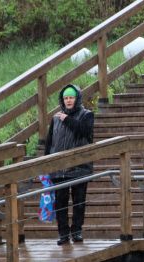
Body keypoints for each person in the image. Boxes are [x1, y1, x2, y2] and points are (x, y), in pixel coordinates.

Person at [45, 84, 94, 245]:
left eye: (71, 97)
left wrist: (68, 119)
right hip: (59, 168)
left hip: (80, 167)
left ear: (77, 98)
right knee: (60, 203)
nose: (68, 100)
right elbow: (49, 142)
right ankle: (63, 234)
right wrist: (45, 164)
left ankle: (77, 231)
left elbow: (85, 132)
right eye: (66, 98)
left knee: (79, 201)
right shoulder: (55, 118)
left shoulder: (87, 115)